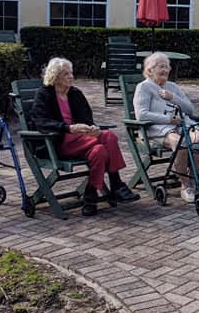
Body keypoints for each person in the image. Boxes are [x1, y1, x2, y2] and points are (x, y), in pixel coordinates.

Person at [32, 57, 140, 216]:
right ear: (55, 76)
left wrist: (92, 129)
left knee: (100, 151)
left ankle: (90, 196)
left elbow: (87, 118)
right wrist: (69, 128)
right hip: (58, 142)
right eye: (65, 74)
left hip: (83, 140)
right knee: (108, 136)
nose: (71, 76)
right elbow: (40, 121)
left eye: (71, 73)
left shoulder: (75, 93)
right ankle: (116, 183)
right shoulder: (44, 94)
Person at [133, 52, 199, 202]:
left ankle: (193, 180)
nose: (165, 70)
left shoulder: (172, 86)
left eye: (167, 67)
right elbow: (142, 115)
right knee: (181, 143)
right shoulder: (144, 87)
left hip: (182, 124)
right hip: (157, 129)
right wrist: (168, 120)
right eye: (161, 66)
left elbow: (190, 109)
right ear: (150, 70)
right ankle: (185, 186)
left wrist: (173, 97)